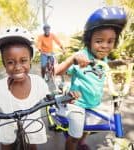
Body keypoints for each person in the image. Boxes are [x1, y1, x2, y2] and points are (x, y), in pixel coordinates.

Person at [54, 7, 127, 150]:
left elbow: (105, 65)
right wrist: (72, 59)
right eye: (99, 41)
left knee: (86, 129)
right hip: (78, 103)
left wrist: (118, 62)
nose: (105, 46)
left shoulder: (103, 58)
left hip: (93, 103)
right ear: (89, 40)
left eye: (110, 41)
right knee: (74, 135)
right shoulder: (82, 55)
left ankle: (81, 143)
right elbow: (57, 71)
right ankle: (74, 144)